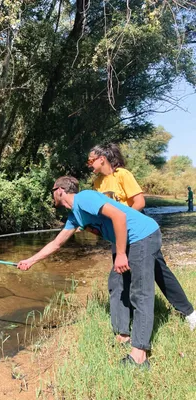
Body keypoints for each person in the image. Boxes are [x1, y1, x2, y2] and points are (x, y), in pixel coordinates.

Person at [17, 176, 191, 368]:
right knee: (150, 278)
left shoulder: (85, 198)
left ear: (59, 190)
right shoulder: (75, 216)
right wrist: (30, 261)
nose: (52, 195)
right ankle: (187, 316)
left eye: (52, 191)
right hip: (139, 236)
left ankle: (139, 355)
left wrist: (121, 254)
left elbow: (119, 216)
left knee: (141, 291)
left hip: (141, 236)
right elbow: (56, 244)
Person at [87, 144, 196, 344]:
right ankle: (124, 328)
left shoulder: (122, 174)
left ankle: (189, 312)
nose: (89, 165)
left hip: (139, 230)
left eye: (90, 160)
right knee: (120, 276)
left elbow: (139, 202)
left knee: (159, 272)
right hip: (118, 235)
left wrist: (125, 224)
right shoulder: (97, 184)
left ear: (102, 158)